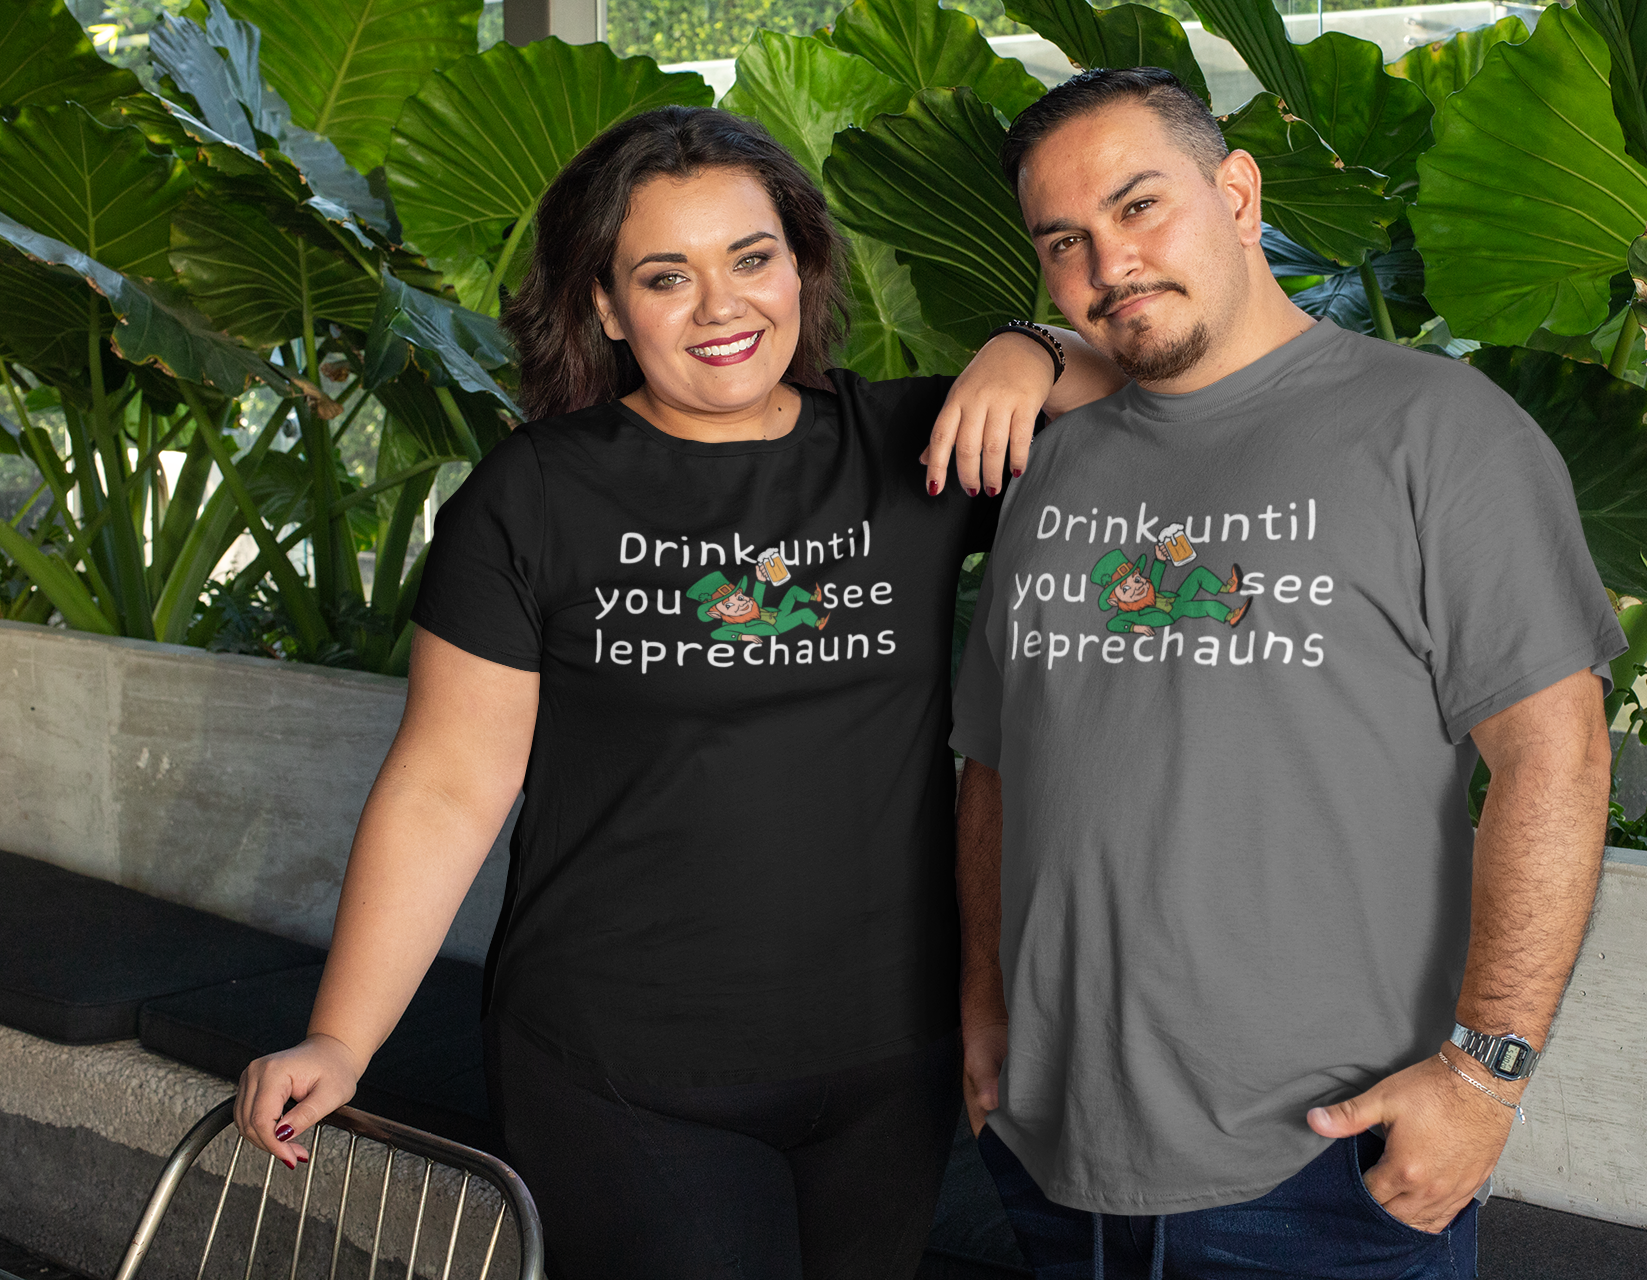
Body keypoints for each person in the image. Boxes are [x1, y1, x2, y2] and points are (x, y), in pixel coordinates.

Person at [232, 106, 1122, 1279]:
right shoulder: (536, 494)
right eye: (666, 275)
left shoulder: (915, 443)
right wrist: (342, 1036)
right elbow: (450, 782)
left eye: (752, 258)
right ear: (605, 306)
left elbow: (1165, 414)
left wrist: (1034, 346)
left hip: (885, 1063)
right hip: (621, 1072)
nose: (722, 306)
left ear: (801, 264)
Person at [950, 68, 1623, 1279]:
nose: (1112, 263)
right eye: (1066, 241)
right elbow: (1000, 764)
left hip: (1321, 1161)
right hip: (1052, 1149)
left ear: (1239, 192)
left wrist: (1486, 1073)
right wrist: (985, 1002)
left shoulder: (1438, 429)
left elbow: (1557, 753)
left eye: (1142, 205)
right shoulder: (1050, 465)